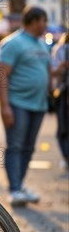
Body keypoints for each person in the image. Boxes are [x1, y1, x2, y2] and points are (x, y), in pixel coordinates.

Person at [0, 6, 51, 206]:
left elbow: (46, 71)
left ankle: (20, 184)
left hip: (39, 105)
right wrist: (4, 106)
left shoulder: (42, 44)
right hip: (18, 104)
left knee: (28, 147)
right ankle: (15, 189)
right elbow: (1, 74)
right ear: (34, 21)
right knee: (16, 146)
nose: (46, 25)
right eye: (44, 21)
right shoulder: (13, 43)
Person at [51, 33, 68, 172]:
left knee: (63, 127)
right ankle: (66, 156)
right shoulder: (61, 49)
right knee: (63, 127)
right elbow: (53, 71)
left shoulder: (60, 49)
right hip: (63, 92)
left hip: (62, 92)